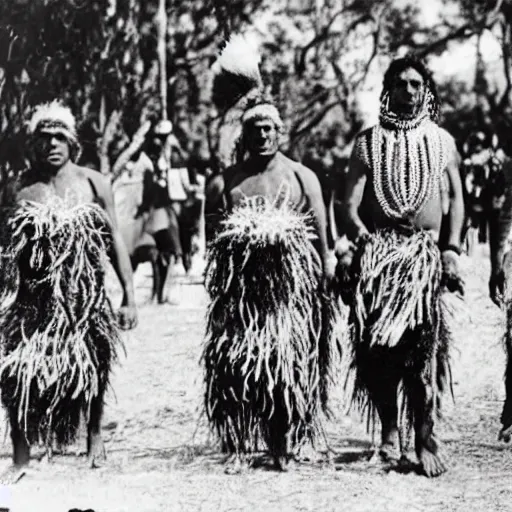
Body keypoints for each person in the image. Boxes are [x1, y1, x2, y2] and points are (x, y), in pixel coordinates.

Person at [203, 34, 339, 474]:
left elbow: (323, 240)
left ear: (281, 132)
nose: (262, 135)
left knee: (283, 368)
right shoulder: (226, 183)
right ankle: (240, 446)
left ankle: (280, 445)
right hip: (241, 298)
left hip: (289, 298)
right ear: (244, 134)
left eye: (269, 129)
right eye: (255, 129)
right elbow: (212, 241)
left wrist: (325, 278)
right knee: (238, 368)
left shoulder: (303, 178)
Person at [336, 56, 465, 477]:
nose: (408, 91)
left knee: (424, 351)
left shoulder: (442, 140)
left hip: (424, 259)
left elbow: (457, 201)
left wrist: (449, 249)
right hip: (381, 259)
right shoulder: (367, 142)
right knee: (378, 351)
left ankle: (423, 436)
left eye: (416, 84)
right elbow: (348, 204)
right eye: (400, 83)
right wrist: (361, 241)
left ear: (425, 90)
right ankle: (390, 433)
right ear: (387, 89)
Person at [0, 100, 137, 482]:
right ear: (34, 144)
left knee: (93, 364)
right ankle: (22, 452)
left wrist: (129, 295)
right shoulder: (19, 188)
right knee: (18, 374)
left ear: (72, 143)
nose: (52, 144)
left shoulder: (94, 183)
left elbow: (114, 242)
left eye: (60, 137)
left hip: (84, 300)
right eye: (44, 138)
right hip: (32, 303)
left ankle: (93, 437)